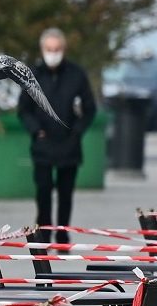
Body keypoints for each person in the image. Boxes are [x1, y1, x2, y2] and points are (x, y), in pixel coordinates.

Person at [17, 27, 98, 234]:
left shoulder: (76, 75)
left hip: (69, 144)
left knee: (65, 193)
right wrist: (36, 131)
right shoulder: (31, 75)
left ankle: (62, 236)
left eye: (57, 49)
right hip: (42, 145)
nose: (53, 53)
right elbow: (24, 110)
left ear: (64, 49)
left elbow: (90, 109)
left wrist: (77, 131)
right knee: (43, 191)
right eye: (49, 49)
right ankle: (43, 234)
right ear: (42, 49)